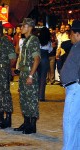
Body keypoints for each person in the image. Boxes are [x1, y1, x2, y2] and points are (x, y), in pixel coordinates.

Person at [13, 18, 40, 134]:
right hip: (24, 72)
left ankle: (32, 126)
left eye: (23, 26)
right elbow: (18, 53)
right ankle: (26, 122)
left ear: (29, 27)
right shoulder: (25, 40)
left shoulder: (33, 40)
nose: (21, 28)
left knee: (31, 99)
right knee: (24, 98)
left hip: (29, 72)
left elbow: (37, 59)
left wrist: (31, 75)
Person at [60, 20, 80, 150]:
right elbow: (64, 44)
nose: (69, 36)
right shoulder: (76, 45)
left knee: (69, 122)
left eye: (71, 33)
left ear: (77, 34)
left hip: (75, 88)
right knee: (75, 124)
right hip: (73, 88)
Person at [38, 27, 53, 101]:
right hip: (45, 58)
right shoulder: (49, 41)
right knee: (43, 78)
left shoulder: (37, 40)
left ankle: (36, 95)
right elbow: (50, 51)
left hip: (38, 59)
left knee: (37, 77)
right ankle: (41, 96)